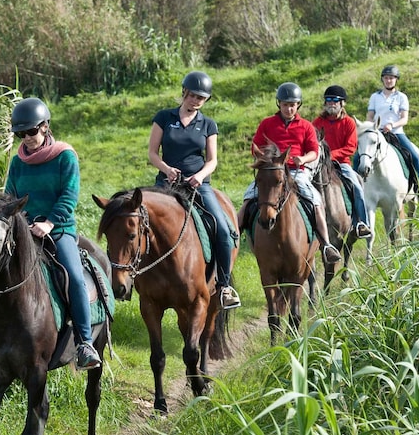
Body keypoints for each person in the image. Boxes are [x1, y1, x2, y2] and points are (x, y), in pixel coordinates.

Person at [0, 97, 102, 370]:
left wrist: (49, 223)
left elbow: (69, 196)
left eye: (31, 131)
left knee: (72, 275)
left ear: (45, 127)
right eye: (20, 133)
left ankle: (84, 343)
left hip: (58, 231)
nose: (27, 138)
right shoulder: (18, 162)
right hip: (23, 231)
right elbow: (11, 198)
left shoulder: (65, 156)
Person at [147, 70, 240, 309]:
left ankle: (225, 286)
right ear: (184, 93)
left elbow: (212, 160)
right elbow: (152, 154)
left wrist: (199, 176)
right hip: (167, 184)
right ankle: (135, 278)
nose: (195, 101)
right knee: (138, 221)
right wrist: (166, 169)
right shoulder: (164, 117)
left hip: (198, 184)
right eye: (192, 95)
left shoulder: (208, 124)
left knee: (220, 226)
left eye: (201, 98)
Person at [237, 82, 343, 265]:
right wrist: (264, 157)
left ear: (298, 105)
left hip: (296, 172)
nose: (289, 108)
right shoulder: (267, 123)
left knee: (315, 200)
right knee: (248, 198)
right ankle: (234, 237)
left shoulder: (306, 126)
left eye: (292, 105)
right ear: (279, 104)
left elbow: (314, 152)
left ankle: (326, 245)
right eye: (285, 104)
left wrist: (302, 159)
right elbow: (255, 147)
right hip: (272, 172)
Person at [311, 85, 372, 239]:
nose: (331, 103)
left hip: (341, 163)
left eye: (335, 101)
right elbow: (311, 143)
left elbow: (351, 147)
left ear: (342, 103)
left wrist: (330, 156)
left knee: (356, 185)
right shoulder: (317, 122)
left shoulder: (349, 123)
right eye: (328, 100)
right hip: (318, 164)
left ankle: (361, 223)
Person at [366, 65, 419, 194]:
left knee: (414, 156)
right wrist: (373, 126)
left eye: (391, 78)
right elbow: (370, 115)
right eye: (386, 78)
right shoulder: (375, 97)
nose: (388, 80)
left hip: (396, 133)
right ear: (382, 79)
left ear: (396, 80)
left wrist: (392, 125)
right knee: (360, 156)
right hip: (378, 132)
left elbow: (404, 119)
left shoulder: (401, 97)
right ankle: (359, 186)